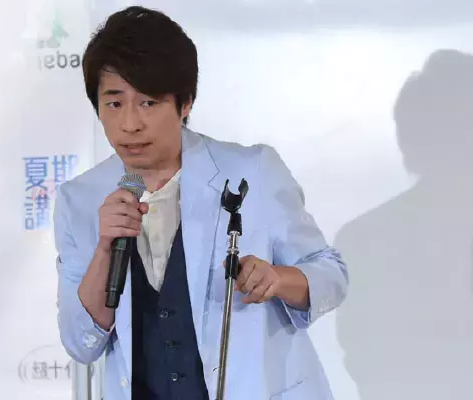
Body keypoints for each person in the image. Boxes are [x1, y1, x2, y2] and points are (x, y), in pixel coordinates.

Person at [53, 6, 349, 400]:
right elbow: (80, 343)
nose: (130, 124)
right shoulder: (79, 199)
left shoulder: (251, 170)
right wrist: (105, 248)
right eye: (114, 103)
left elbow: (331, 274)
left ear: (186, 103)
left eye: (148, 103)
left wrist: (278, 278)